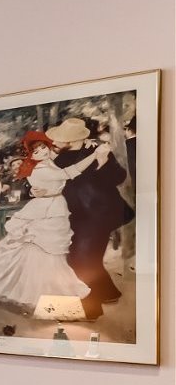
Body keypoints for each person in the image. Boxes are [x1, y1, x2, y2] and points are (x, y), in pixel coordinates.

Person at [0, 131, 110, 313]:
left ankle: (50, 296)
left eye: (43, 147)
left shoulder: (46, 161)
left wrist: (86, 141)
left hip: (53, 206)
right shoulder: (40, 169)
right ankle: (43, 295)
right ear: (31, 156)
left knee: (50, 252)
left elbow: (58, 149)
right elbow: (70, 172)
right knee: (43, 251)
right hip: (47, 210)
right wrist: (95, 155)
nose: (42, 152)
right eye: (37, 151)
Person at [47, 116, 133, 320]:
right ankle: (110, 294)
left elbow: (118, 178)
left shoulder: (97, 153)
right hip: (77, 217)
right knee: (86, 259)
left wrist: (103, 161)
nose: (55, 142)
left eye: (60, 139)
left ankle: (90, 309)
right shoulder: (59, 160)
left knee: (83, 261)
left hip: (98, 217)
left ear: (70, 140)